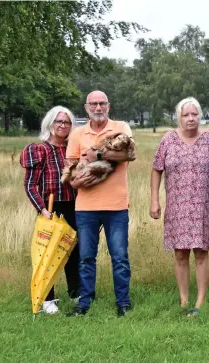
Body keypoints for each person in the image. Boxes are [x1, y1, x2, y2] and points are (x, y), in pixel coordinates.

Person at [66, 90, 136, 317]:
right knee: (86, 258)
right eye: (93, 104)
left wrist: (94, 156)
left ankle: (123, 302)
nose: (98, 107)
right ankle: (84, 302)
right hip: (86, 207)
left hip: (116, 206)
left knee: (119, 258)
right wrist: (81, 175)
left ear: (108, 105)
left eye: (102, 103)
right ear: (86, 107)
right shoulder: (77, 134)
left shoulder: (121, 128)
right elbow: (72, 174)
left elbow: (127, 155)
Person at [150, 97, 209, 317]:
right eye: (186, 115)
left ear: (200, 116)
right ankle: (183, 300)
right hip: (177, 206)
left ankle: (200, 301)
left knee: (200, 252)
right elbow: (156, 169)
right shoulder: (168, 140)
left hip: (202, 206)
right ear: (178, 117)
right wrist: (154, 200)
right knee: (180, 253)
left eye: (194, 114)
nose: (191, 119)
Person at [20, 106, 80, 314]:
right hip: (51, 208)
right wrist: (42, 209)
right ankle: (47, 299)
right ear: (50, 124)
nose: (63, 125)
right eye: (59, 121)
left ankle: (75, 294)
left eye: (67, 122)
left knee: (73, 251)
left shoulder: (74, 150)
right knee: (48, 253)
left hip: (74, 206)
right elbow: (30, 185)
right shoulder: (38, 150)